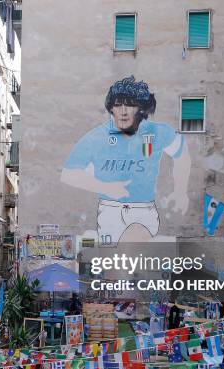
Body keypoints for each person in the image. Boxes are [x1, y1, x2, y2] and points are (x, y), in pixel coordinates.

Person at [61, 76, 191, 244]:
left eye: (130, 104)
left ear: (140, 109)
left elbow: (182, 153)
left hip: (143, 209)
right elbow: (68, 173)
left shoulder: (156, 132)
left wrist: (180, 191)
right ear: (111, 109)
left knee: (133, 245)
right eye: (118, 105)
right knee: (118, 263)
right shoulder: (97, 136)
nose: (123, 110)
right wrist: (105, 187)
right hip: (110, 209)